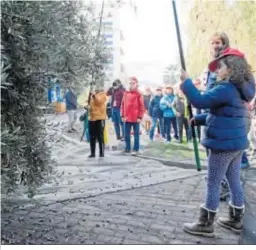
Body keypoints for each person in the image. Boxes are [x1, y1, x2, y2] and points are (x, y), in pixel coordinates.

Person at [180, 48, 255, 237]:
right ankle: (236, 219)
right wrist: (199, 119)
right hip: (236, 144)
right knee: (233, 180)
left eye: (220, 67)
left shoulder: (225, 88)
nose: (217, 71)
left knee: (213, 182)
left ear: (231, 68)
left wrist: (187, 82)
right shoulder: (240, 91)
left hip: (222, 145)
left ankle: (206, 223)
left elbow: (199, 100)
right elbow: (223, 115)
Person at [121, 77, 144, 155]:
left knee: (136, 135)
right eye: (130, 83)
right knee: (126, 135)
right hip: (127, 118)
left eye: (133, 83)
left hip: (136, 118)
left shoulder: (139, 93)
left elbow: (141, 106)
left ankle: (136, 149)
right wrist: (122, 115)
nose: (131, 84)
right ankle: (127, 148)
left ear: (136, 84)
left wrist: (140, 117)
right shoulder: (126, 92)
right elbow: (122, 104)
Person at [88, 87, 107, 158]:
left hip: (100, 119)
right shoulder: (92, 95)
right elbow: (87, 102)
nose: (95, 89)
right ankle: (92, 153)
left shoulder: (103, 95)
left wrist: (93, 95)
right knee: (92, 137)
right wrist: (86, 106)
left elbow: (98, 102)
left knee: (100, 137)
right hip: (91, 118)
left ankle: (101, 153)